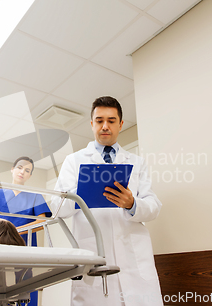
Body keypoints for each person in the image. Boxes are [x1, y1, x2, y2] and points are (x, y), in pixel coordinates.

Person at [52, 96, 163, 306]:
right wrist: (82, 193)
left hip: (134, 263)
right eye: (99, 120)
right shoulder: (74, 161)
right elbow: (56, 207)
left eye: (111, 121)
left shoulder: (136, 163)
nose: (105, 126)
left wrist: (132, 204)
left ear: (120, 124)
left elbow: (154, 207)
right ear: (91, 123)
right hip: (94, 260)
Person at [0, 156, 51, 306]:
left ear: (30, 175)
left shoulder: (35, 196)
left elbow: (42, 222)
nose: (22, 172)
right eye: (19, 167)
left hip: (24, 250)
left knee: (25, 290)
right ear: (12, 169)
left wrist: (12, 232)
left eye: (27, 170)